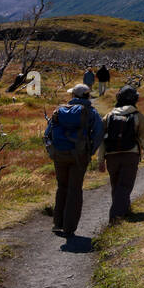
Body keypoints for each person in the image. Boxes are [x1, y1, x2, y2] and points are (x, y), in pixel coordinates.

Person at [44, 83, 104, 237]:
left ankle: (58, 223)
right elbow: (98, 134)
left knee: (62, 187)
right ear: (87, 96)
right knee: (75, 189)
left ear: (73, 96)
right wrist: (89, 152)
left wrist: (52, 151)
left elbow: (47, 133)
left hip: (59, 155)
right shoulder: (91, 112)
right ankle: (69, 227)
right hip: (79, 156)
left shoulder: (60, 110)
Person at [97, 85, 144, 222]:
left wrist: (100, 160)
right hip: (130, 155)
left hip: (111, 156)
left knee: (116, 185)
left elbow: (101, 140)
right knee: (125, 186)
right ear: (135, 99)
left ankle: (125, 211)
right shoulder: (137, 116)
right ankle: (116, 216)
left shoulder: (109, 116)